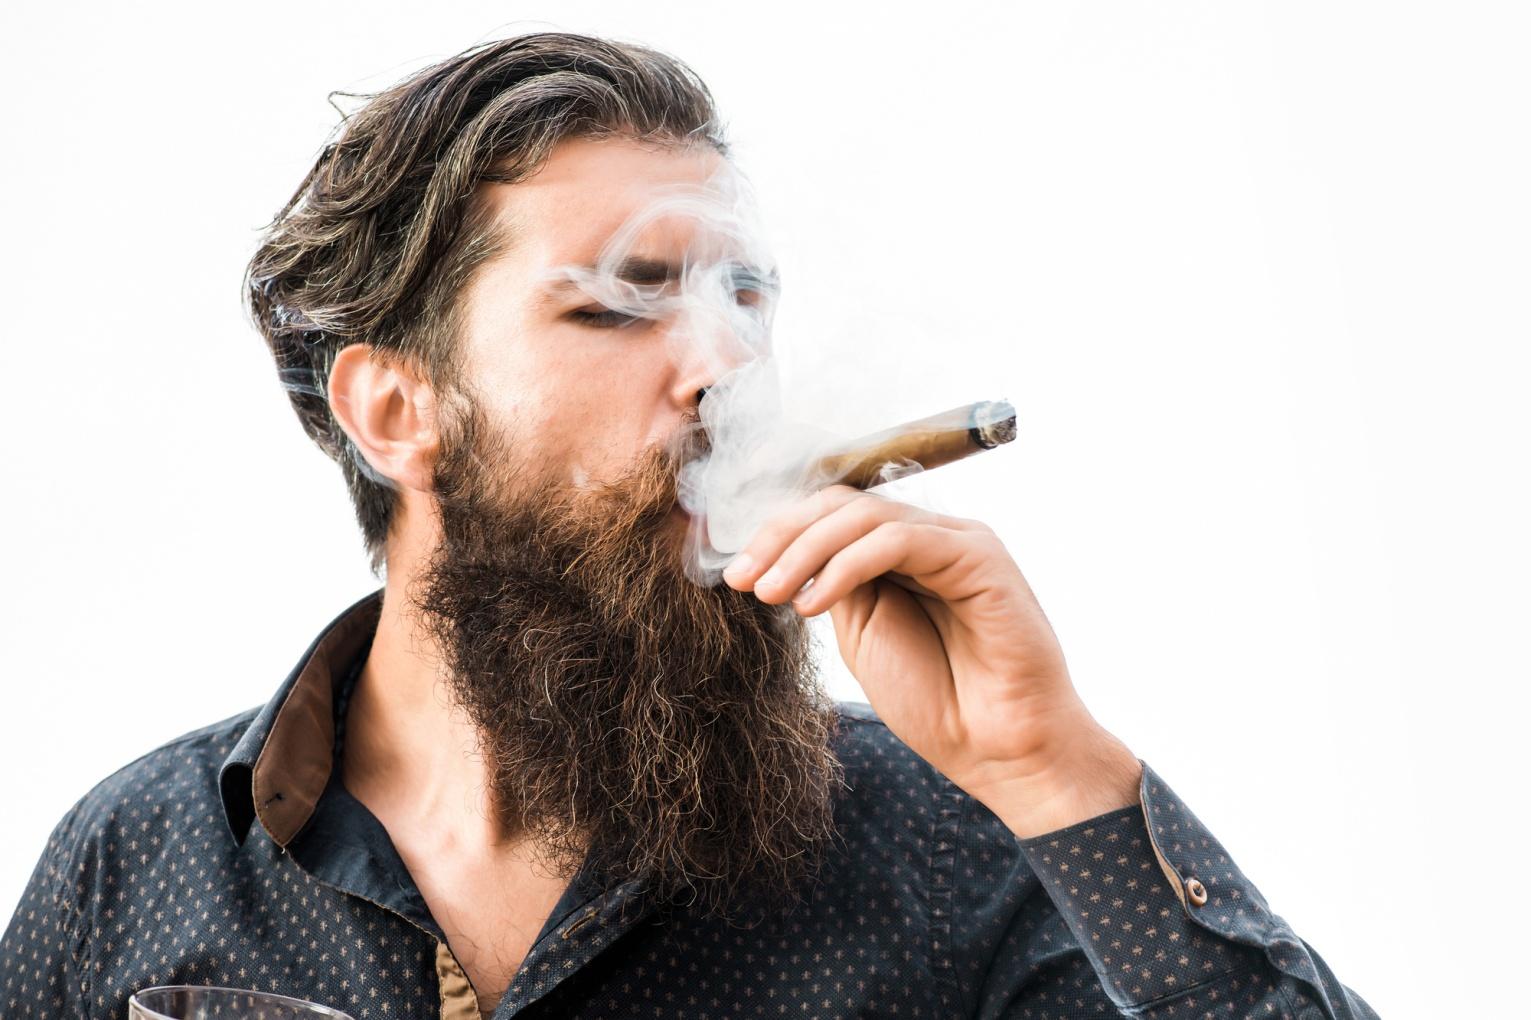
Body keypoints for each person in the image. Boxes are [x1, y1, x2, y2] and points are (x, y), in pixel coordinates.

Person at [0, 32, 1380, 1020]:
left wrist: (1054, 769)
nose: (725, 367)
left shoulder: (939, 842)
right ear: (398, 409)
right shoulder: (140, 863)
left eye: (745, 300)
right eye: (618, 302)